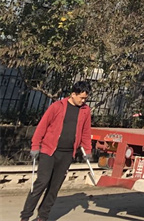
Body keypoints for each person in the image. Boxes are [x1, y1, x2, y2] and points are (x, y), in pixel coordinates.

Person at [21, 81, 93, 221]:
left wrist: (88, 150)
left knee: (54, 188)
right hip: (49, 151)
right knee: (41, 183)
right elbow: (42, 126)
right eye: (81, 98)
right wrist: (35, 146)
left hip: (67, 154)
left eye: (85, 98)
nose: (83, 101)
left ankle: (43, 216)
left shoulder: (85, 110)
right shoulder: (57, 107)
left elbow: (85, 131)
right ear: (73, 94)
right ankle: (25, 216)